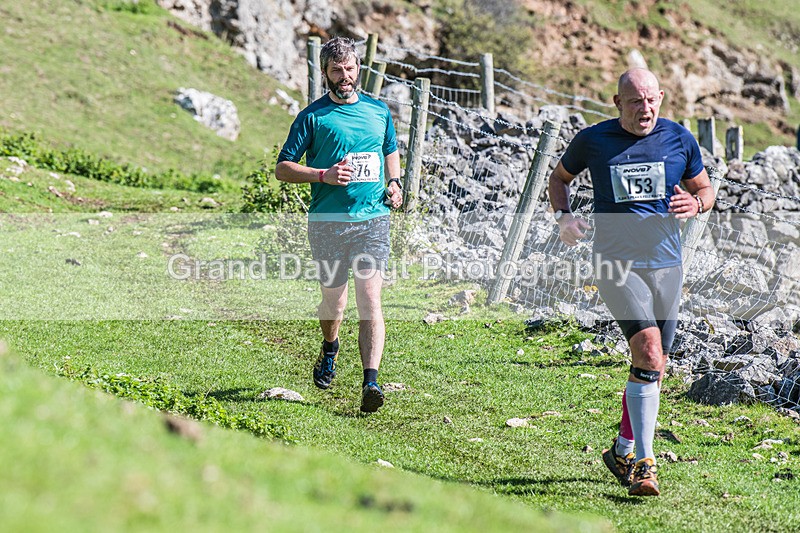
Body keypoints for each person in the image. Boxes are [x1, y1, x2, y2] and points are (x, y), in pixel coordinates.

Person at [548, 68, 715, 496]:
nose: (645, 109)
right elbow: (559, 179)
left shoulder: (679, 139)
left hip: (667, 265)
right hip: (615, 264)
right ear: (618, 103)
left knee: (654, 365)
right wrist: (564, 218)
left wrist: (696, 203)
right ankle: (645, 462)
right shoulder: (593, 140)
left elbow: (705, 189)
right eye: (636, 101)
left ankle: (621, 449)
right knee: (649, 350)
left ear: (661, 97)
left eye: (651, 100)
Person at [275, 36, 403, 413]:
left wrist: (395, 183)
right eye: (336, 70)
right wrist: (322, 175)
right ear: (325, 73)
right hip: (327, 223)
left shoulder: (378, 111)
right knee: (335, 302)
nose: (344, 76)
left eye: (349, 69)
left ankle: (371, 382)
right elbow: (283, 168)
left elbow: (390, 150)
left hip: (372, 220)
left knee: (370, 298)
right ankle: (330, 347)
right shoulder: (312, 117)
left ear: (359, 69)